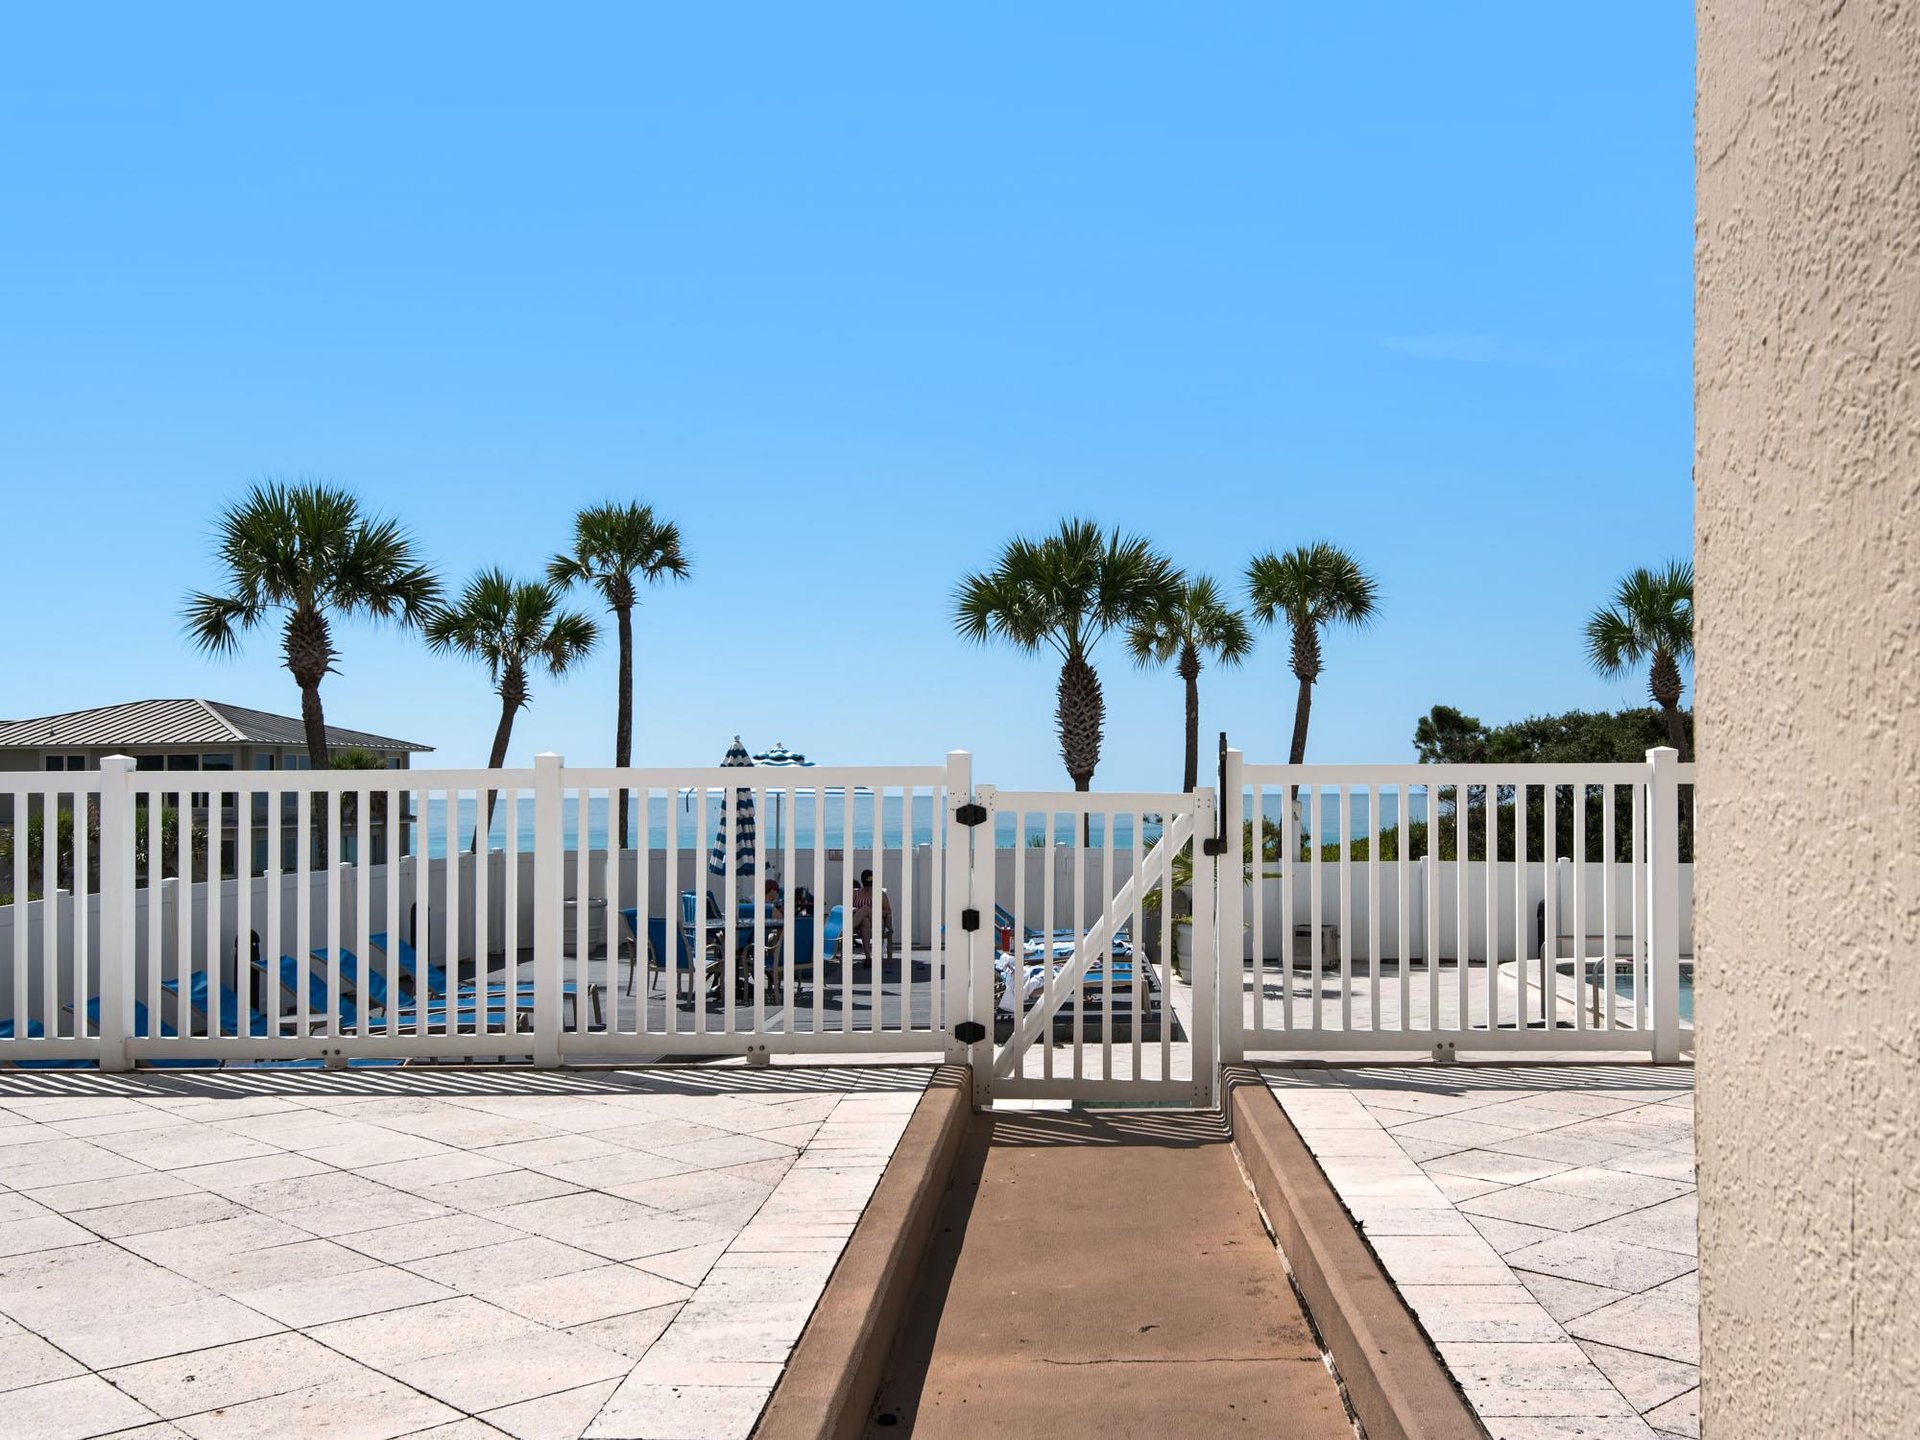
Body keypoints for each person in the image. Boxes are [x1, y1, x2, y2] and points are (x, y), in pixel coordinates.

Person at [850, 869, 893, 963]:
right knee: (865, 921)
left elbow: (888, 910)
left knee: (865, 909)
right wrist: (858, 911)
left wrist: (873, 912)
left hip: (876, 921)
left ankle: (846, 929)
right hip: (860, 923)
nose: (869, 888)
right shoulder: (855, 893)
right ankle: (868, 958)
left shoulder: (880, 894)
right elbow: (848, 908)